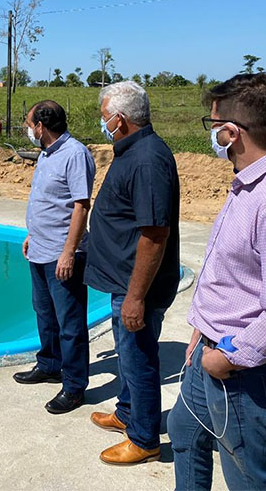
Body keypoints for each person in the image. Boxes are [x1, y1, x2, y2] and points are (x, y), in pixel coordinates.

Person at [167, 73, 266, 490]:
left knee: (250, 480)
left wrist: (227, 356)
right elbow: (234, 273)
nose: (212, 133)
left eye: (213, 123)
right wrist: (203, 329)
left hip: (246, 371)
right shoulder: (249, 184)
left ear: (232, 133)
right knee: (184, 433)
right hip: (212, 351)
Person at [84, 81, 180, 465]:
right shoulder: (133, 151)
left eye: (105, 115)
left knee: (139, 359)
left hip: (135, 285)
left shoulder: (146, 160)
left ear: (119, 119)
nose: (103, 122)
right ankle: (128, 414)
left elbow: (155, 234)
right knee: (127, 355)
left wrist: (137, 296)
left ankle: (144, 438)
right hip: (123, 280)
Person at [13, 100, 96, 415]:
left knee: (70, 323)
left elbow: (80, 206)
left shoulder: (75, 155)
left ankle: (74, 387)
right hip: (39, 249)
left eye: (28, 123)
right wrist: (32, 234)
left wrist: (68, 252)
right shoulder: (47, 154)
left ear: (40, 126)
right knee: (44, 313)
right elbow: (47, 201)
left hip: (62, 255)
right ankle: (49, 364)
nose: (27, 129)